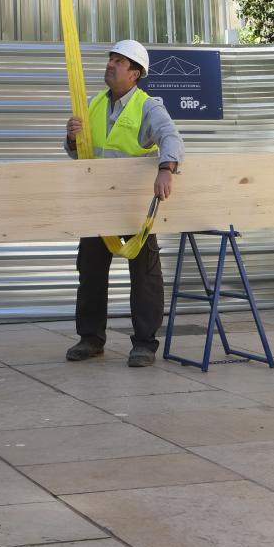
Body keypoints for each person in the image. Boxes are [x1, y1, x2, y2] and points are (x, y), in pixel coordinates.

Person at [64, 40, 184, 367]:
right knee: (90, 274)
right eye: (111, 59)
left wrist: (166, 169)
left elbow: (171, 138)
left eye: (120, 61)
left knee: (144, 278)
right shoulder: (93, 104)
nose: (111, 64)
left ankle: (144, 344)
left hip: (133, 208)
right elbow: (81, 154)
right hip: (99, 206)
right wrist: (72, 139)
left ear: (135, 74)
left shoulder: (148, 107)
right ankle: (91, 339)